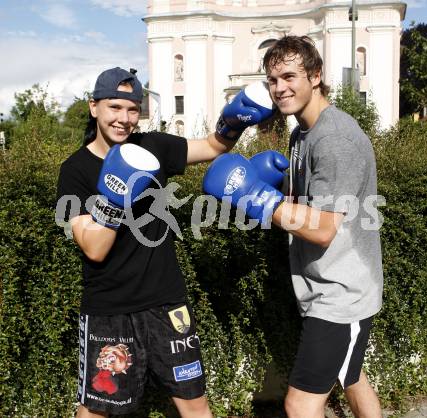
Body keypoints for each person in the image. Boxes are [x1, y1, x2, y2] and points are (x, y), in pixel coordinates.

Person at [56, 66, 275, 417]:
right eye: (115, 107)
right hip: (110, 309)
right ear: (93, 107)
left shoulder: (152, 146)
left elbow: (212, 147)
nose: (125, 119)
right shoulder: (76, 170)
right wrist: (115, 198)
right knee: (96, 409)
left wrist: (233, 122)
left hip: (167, 303)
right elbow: (94, 247)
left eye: (132, 109)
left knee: (195, 404)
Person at [203, 35, 384, 418]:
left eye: (289, 76)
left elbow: (322, 228)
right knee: (351, 376)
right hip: (326, 283)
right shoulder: (302, 132)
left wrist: (256, 196)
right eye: (272, 80)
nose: (279, 88)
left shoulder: (334, 139)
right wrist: (275, 185)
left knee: (300, 405)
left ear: (316, 76)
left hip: (340, 293)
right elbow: (310, 204)